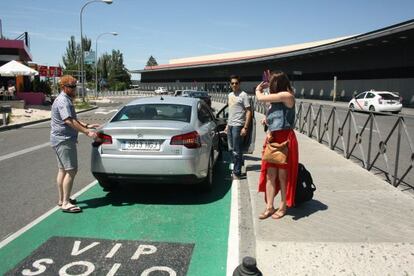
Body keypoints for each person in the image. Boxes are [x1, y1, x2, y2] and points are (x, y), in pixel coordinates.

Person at [50, 75, 99, 213]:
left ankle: (62, 200)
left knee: (63, 170)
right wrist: (86, 132)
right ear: (64, 87)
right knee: (71, 170)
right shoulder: (63, 101)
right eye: (72, 87)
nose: (74, 89)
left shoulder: (64, 99)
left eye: (75, 86)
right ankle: (66, 203)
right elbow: (68, 121)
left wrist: (87, 125)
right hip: (64, 140)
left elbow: (73, 119)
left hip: (60, 139)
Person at [255, 71, 299, 219]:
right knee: (270, 174)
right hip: (273, 138)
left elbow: (260, 98)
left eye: (272, 83)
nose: (271, 87)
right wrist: (267, 121)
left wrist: (257, 90)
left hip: (285, 139)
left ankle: (283, 206)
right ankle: (269, 207)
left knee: (282, 176)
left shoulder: (286, 96)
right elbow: (274, 116)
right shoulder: (277, 99)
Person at [225, 75, 252, 180]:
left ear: (239, 84)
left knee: (237, 150)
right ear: (230, 84)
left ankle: (237, 173)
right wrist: (227, 125)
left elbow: (249, 111)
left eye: (236, 83)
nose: (234, 85)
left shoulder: (243, 95)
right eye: (232, 83)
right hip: (230, 125)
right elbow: (231, 111)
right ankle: (235, 170)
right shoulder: (230, 95)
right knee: (231, 149)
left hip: (238, 125)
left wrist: (245, 127)